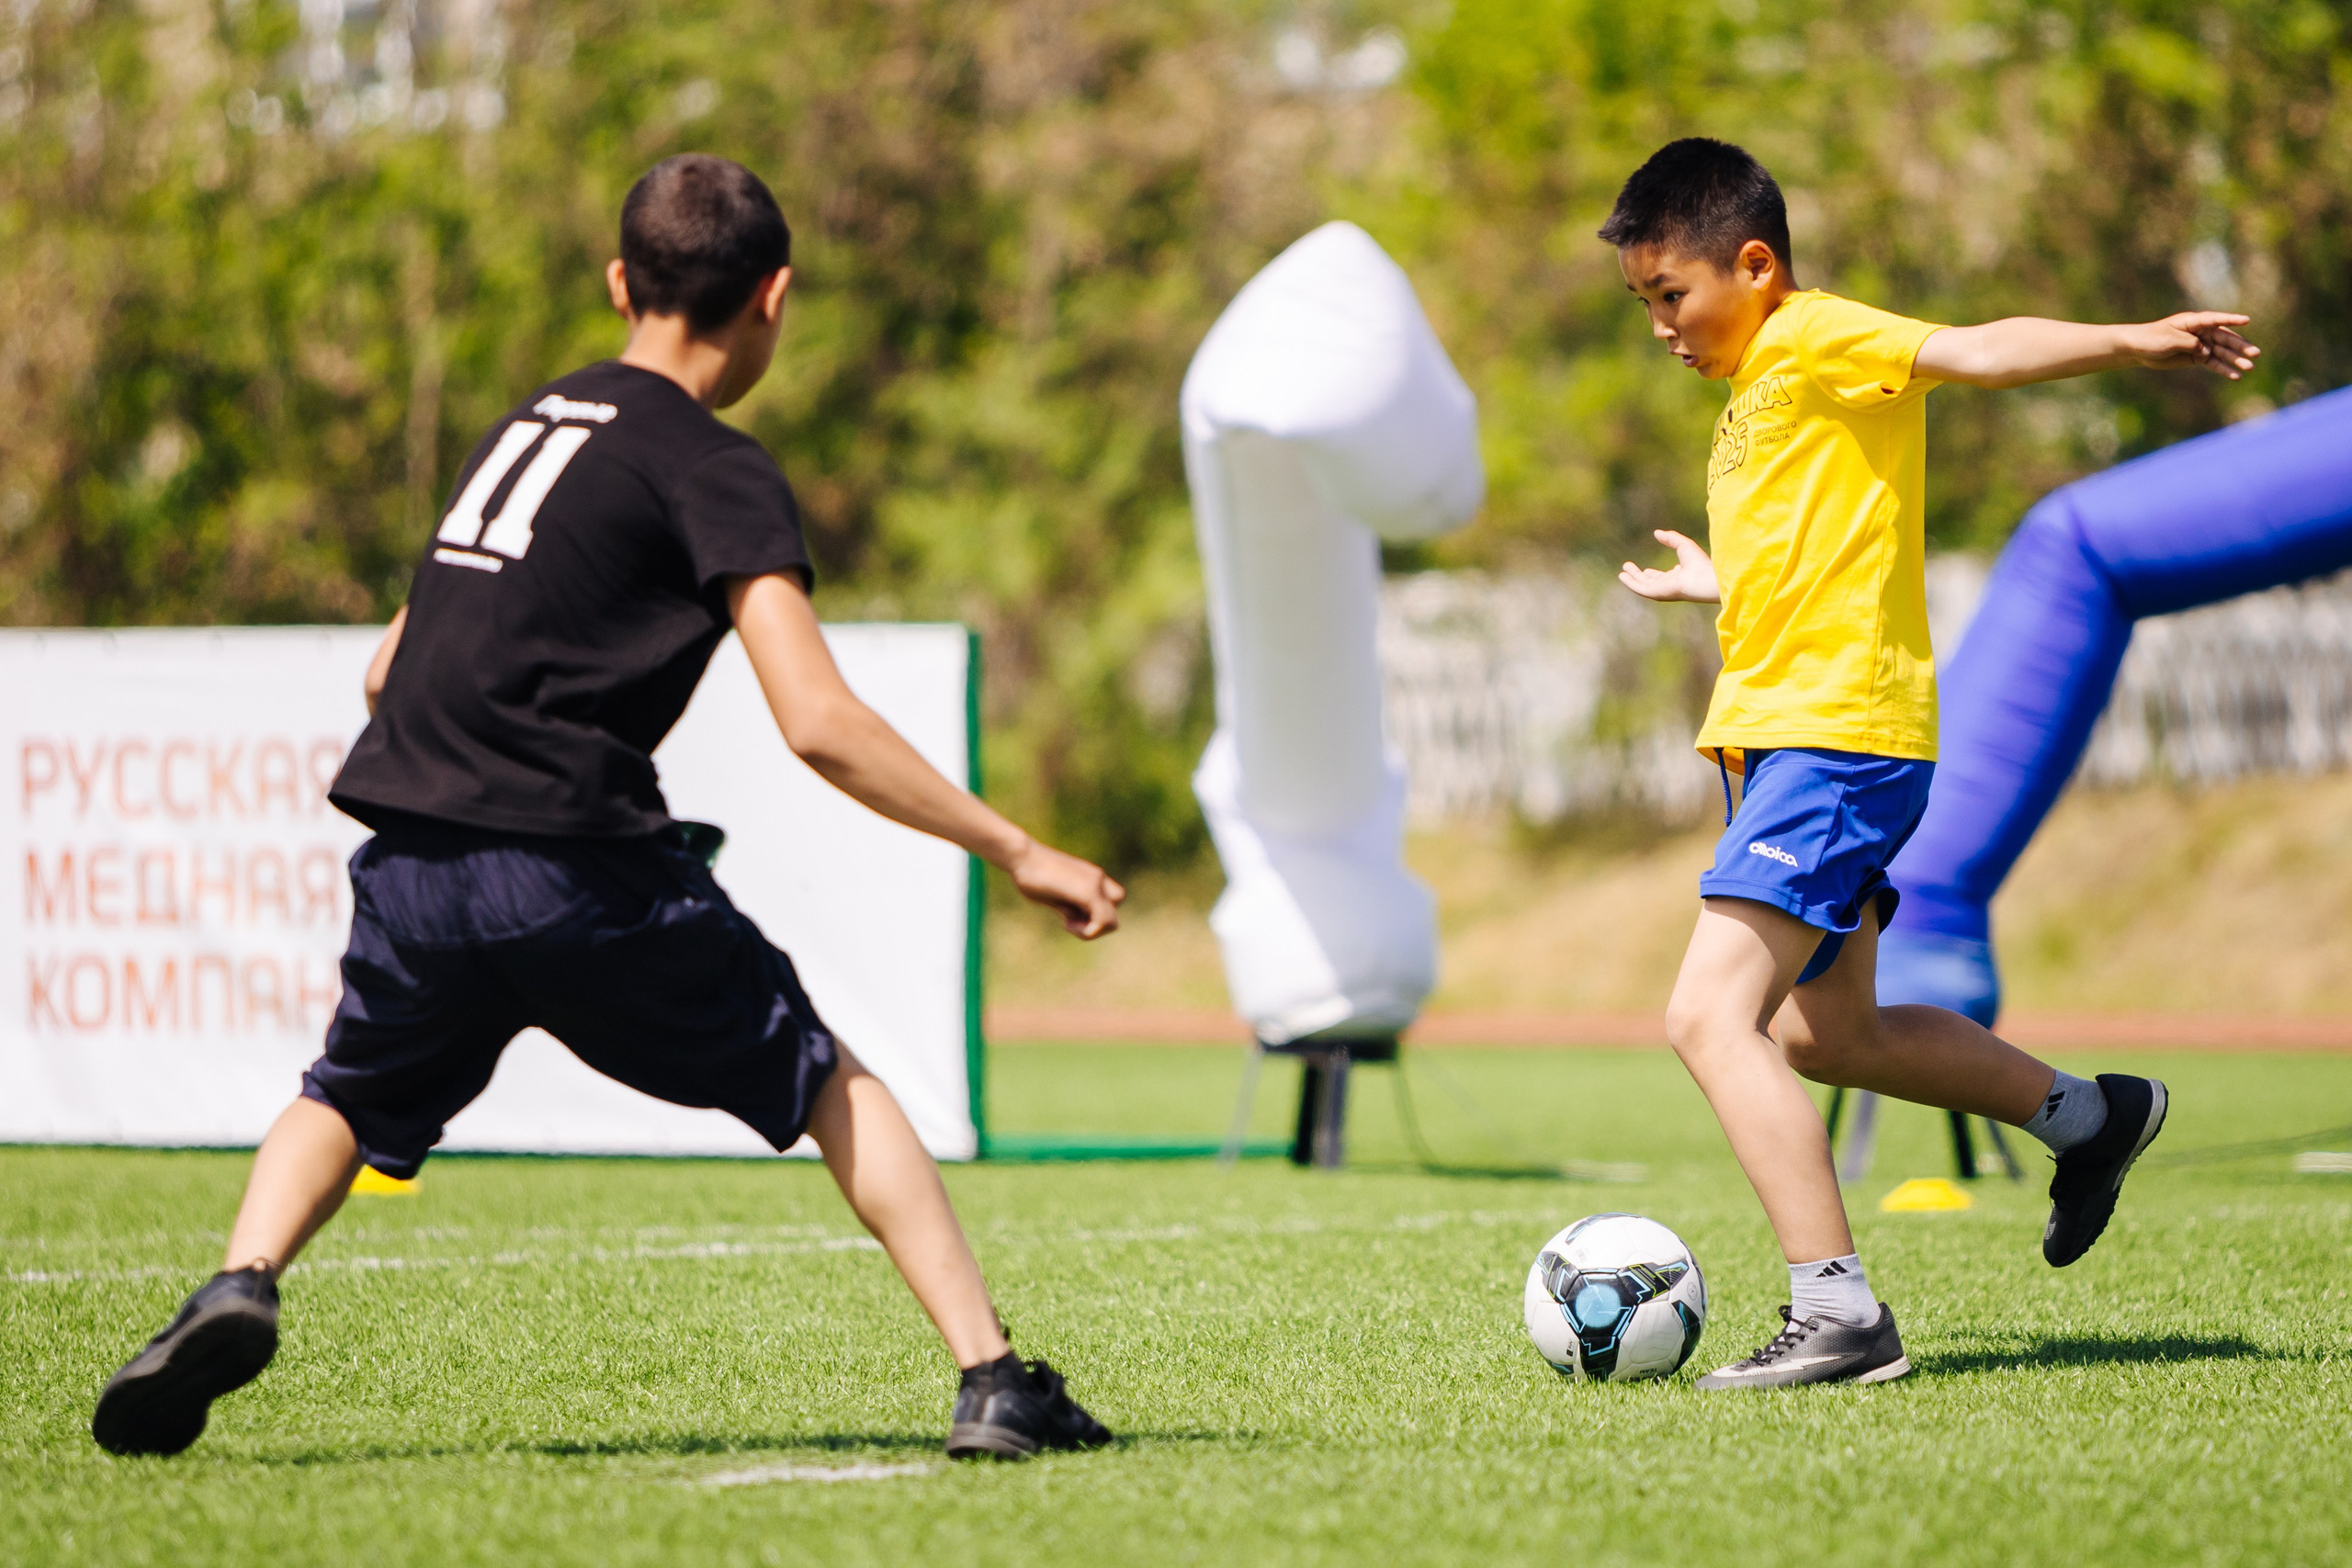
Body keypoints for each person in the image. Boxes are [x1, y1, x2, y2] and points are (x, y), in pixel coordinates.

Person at [92, 154, 1125, 1460]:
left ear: (619, 282)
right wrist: (1017, 848)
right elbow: (817, 721)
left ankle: (241, 1280)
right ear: (776, 298)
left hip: (412, 861)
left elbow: (380, 669)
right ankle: (993, 1378)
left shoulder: (523, 431)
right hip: (576, 870)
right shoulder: (715, 465)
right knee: (824, 1076)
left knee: (345, 1089)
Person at [1604, 138, 2257, 1390]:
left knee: (1706, 1017)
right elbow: (1816, 560)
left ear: (1757, 265)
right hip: (1792, 741)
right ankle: (2090, 1117)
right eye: (1643, 305)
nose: (1661, 329)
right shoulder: (1763, 395)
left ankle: (1838, 1315)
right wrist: (1717, 585)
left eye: (1672, 296)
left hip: (1836, 743)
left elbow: (1975, 348)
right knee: (1825, 1034)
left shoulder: (1814, 336)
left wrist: (2131, 340)